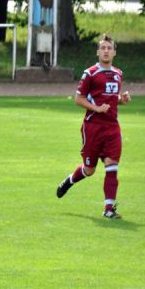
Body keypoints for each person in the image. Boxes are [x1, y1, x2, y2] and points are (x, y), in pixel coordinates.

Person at [56, 34, 131, 218]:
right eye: (103, 48)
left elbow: (112, 100)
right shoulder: (90, 73)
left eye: (109, 48)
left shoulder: (118, 74)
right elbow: (78, 99)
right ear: (98, 52)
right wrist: (96, 108)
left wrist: (122, 100)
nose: (106, 51)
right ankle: (70, 180)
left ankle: (108, 210)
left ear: (114, 52)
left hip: (112, 129)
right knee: (89, 170)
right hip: (93, 128)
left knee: (112, 166)